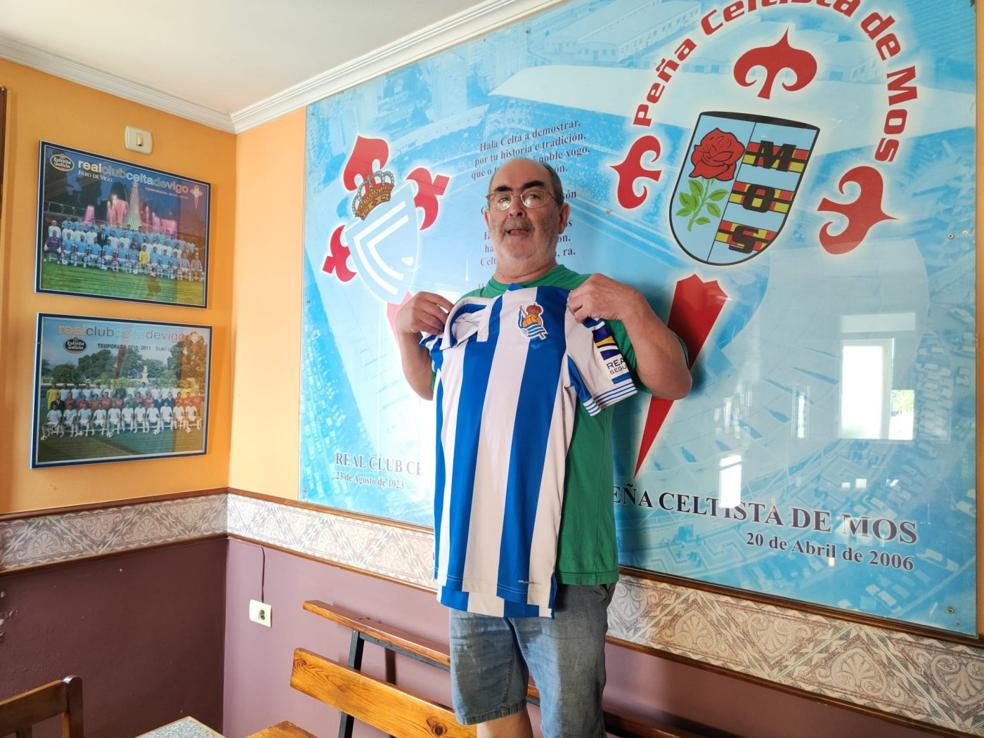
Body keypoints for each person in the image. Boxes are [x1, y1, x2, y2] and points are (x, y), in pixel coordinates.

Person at [394, 158, 691, 737]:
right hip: (473, 549)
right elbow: (433, 389)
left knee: (570, 728)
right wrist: (402, 330)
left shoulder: (588, 305)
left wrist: (632, 307)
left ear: (561, 214)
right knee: (492, 718)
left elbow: (673, 381)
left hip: (569, 561)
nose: (516, 208)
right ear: (487, 217)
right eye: (503, 197)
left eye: (532, 196)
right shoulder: (464, 314)